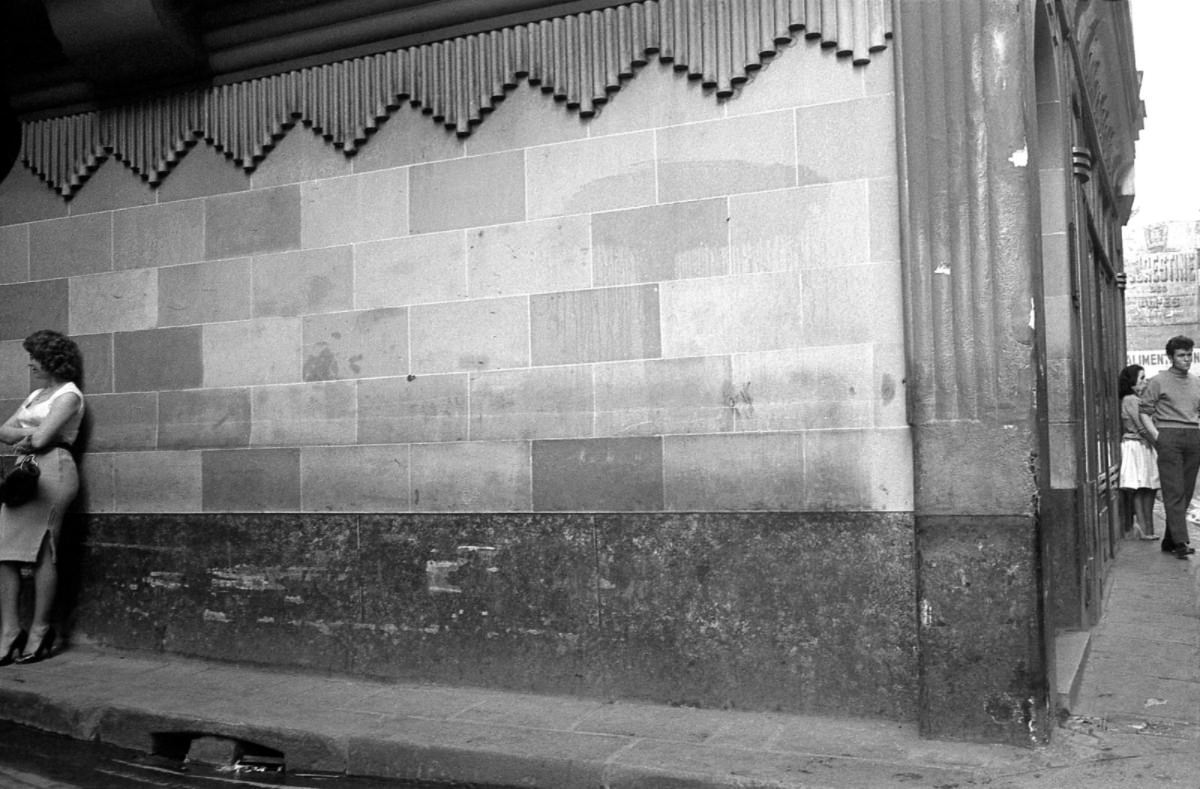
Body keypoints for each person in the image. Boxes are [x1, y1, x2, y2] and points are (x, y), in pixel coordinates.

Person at [0, 330, 84, 664]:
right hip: (24, 474)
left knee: (42, 551)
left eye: (35, 356)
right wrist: (29, 436)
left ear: (52, 359)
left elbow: (46, 438)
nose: (31, 363)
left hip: (54, 471)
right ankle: (8, 631)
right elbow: (3, 431)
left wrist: (30, 437)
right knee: (4, 551)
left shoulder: (70, 395)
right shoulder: (36, 395)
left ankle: (40, 629)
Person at [1140, 335, 1200, 559]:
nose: (1186, 359)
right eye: (1181, 355)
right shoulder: (1158, 381)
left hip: (1193, 436)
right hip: (1169, 436)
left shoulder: (1196, 381)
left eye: (1189, 355)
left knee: (1185, 490)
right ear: (1171, 357)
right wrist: (1158, 437)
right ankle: (1182, 541)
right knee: (1173, 490)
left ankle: (1170, 539)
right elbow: (1144, 412)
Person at [1118, 364, 1159, 540]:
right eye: (1141, 379)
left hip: (1143, 445)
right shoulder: (1131, 400)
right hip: (1138, 446)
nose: (1145, 382)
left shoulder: (1134, 399)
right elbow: (1142, 428)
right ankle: (1144, 528)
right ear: (1132, 383)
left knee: (1148, 487)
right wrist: (1158, 445)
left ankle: (1147, 528)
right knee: (1143, 487)